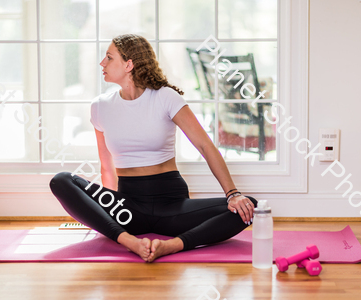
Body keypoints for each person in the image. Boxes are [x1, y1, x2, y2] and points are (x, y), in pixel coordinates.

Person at [49, 33, 258, 263]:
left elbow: (205, 146)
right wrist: (109, 213)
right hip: (127, 209)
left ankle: (173, 245)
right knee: (61, 180)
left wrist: (233, 194)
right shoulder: (100, 107)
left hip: (172, 207)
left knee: (249, 207)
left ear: (129, 64)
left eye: (109, 57)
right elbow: (106, 167)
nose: (102, 63)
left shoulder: (165, 97)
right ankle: (128, 241)